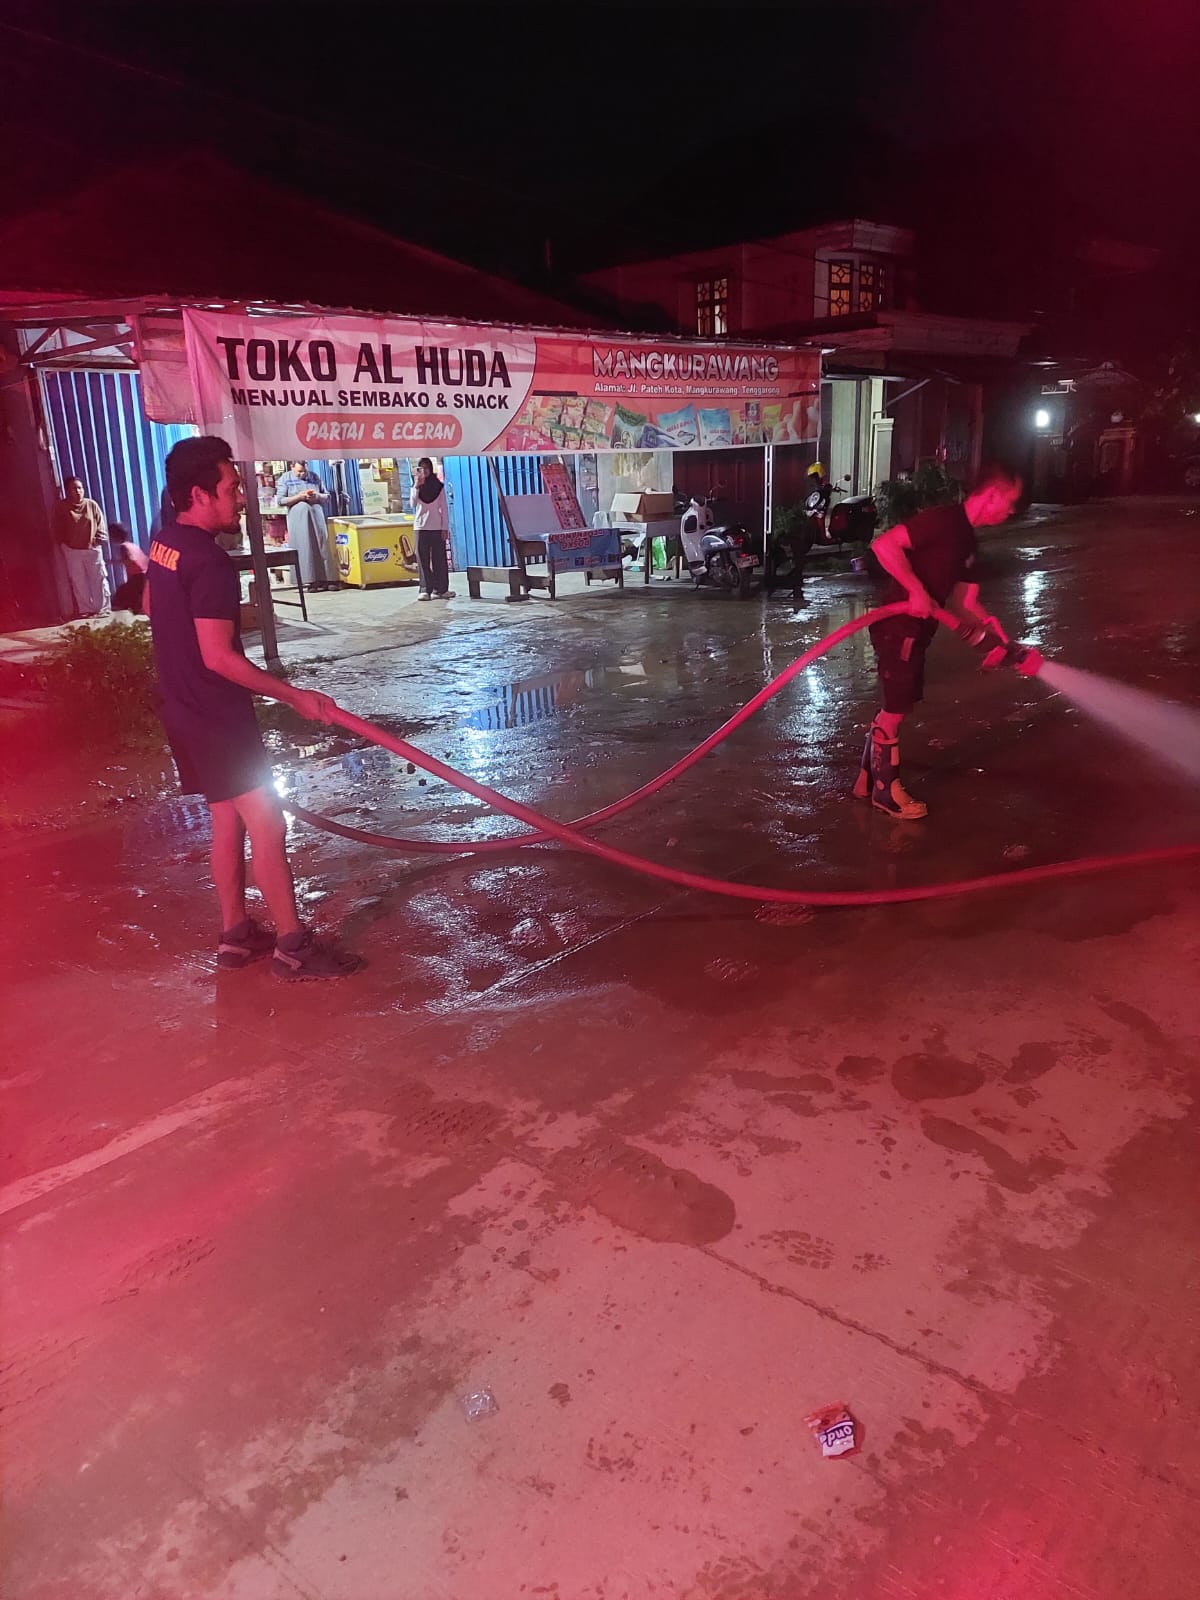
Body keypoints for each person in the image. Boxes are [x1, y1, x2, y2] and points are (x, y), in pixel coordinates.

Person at [148, 435, 362, 980]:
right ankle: (293, 945)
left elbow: (153, 605)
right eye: (231, 487)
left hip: (181, 710)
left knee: (227, 821)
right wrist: (296, 696)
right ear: (199, 494)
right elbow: (218, 656)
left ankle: (236, 935)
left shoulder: (165, 544)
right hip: (217, 716)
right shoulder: (210, 562)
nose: (241, 497)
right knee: (267, 823)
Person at [853, 467, 1022, 820]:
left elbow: (965, 603)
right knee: (896, 708)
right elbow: (884, 545)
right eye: (1009, 502)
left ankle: (867, 780)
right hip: (897, 625)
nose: (1010, 511)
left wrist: (999, 639)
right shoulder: (943, 521)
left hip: (919, 630)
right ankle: (885, 792)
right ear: (991, 495)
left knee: (899, 704)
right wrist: (915, 590)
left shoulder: (969, 543)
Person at [275, 461, 335, 590]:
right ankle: (310, 580)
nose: (302, 474)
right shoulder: (285, 478)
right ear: (292, 467)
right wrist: (299, 497)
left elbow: (327, 496)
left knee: (322, 544)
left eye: (304, 471)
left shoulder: (314, 477)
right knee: (305, 547)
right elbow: (280, 500)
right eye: (299, 472)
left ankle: (327, 578)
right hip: (299, 518)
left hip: (316, 514)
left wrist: (317, 496)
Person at [56, 477, 111, 618]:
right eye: (74, 489)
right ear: (68, 491)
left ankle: (102, 609)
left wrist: (98, 540)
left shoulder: (91, 505)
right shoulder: (62, 507)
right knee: (78, 581)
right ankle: (85, 610)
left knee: (98, 578)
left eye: (80, 488)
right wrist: (63, 544)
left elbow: (101, 524)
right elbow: (57, 527)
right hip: (72, 551)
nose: (78, 491)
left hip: (92, 549)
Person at [410, 457, 454, 599]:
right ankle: (425, 589)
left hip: (436, 527)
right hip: (420, 527)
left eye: (426, 468)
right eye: (421, 468)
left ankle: (441, 589)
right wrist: (416, 486)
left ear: (431, 468)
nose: (424, 471)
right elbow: (412, 503)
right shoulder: (416, 486)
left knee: (439, 559)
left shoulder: (438, 486)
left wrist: (445, 527)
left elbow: (444, 508)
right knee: (422, 560)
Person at [109, 523, 149, 613]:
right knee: (132, 593)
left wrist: (117, 562)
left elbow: (130, 559)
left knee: (122, 595)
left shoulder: (123, 547)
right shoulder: (133, 545)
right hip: (145, 574)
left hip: (137, 576)